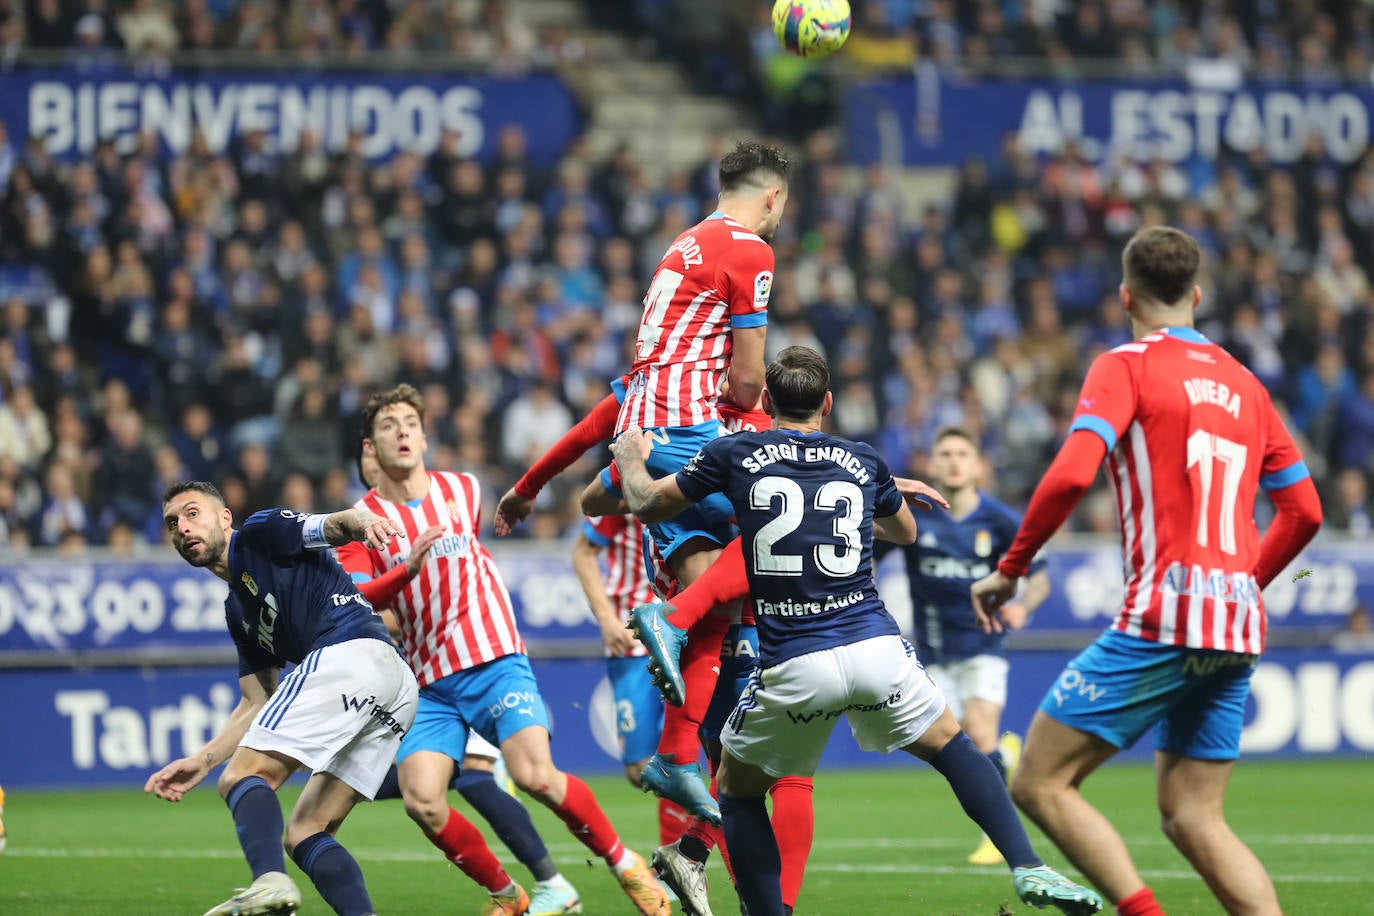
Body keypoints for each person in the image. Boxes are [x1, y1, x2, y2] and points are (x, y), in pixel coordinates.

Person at [613, 346, 1103, 916]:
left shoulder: (734, 451)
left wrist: (629, 458)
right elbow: (906, 531)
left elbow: (646, 504)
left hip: (795, 659)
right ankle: (1028, 865)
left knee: (735, 789)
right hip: (875, 646)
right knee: (953, 745)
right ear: (827, 403)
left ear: (767, 401)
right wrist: (874, 491)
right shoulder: (862, 458)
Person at [971, 227, 1324, 916]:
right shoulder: (1249, 386)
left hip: (1167, 611)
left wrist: (1012, 569)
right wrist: (1245, 581)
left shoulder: (1124, 365)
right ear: (1196, 295)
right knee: (1195, 817)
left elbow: (1073, 472)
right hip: (1236, 622)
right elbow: (1304, 510)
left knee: (1039, 782)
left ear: (1125, 296)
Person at [506, 140, 791, 820]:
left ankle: (676, 756)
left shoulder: (682, 245)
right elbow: (750, 380)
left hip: (643, 423)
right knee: (781, 529)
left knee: (716, 601)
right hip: (691, 428)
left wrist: (528, 488)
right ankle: (667, 610)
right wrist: (754, 433)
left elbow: (601, 412)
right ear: (773, 197)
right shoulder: (751, 250)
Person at [336, 384, 669, 916]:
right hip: (429, 679)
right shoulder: (360, 523)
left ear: (424, 436)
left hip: (491, 657)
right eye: (387, 425)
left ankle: (623, 863)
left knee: (536, 776)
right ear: (371, 447)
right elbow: (363, 598)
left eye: (409, 422)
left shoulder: (463, 491)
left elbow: (468, 567)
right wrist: (405, 573)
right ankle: (509, 893)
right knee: (422, 799)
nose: (401, 431)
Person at [146, 483, 453, 916]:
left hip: (349, 653)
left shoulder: (260, 532)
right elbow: (257, 701)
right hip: (394, 686)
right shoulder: (238, 610)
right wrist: (203, 759)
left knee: (242, 778)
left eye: (193, 513)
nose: (183, 528)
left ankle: (268, 882)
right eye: (173, 523)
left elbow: (335, 524)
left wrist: (365, 523)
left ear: (225, 517)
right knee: (306, 832)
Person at [353, 446, 578, 913]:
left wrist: (410, 605)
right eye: (374, 473)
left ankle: (547, 886)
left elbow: (434, 590)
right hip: (429, 673)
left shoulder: (440, 504)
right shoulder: (363, 533)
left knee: (477, 780)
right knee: (433, 791)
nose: (389, 476)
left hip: (476, 658)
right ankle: (528, 889)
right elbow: (369, 609)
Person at [877, 425, 1051, 866]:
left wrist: (1023, 608)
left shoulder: (999, 520)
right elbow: (869, 557)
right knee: (956, 746)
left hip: (984, 645)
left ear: (978, 465)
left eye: (962, 453)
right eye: (945, 453)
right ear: (932, 465)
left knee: (980, 730)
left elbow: (1040, 578)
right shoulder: (916, 514)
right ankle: (1004, 762)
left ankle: (997, 838)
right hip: (934, 651)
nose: (954, 461)